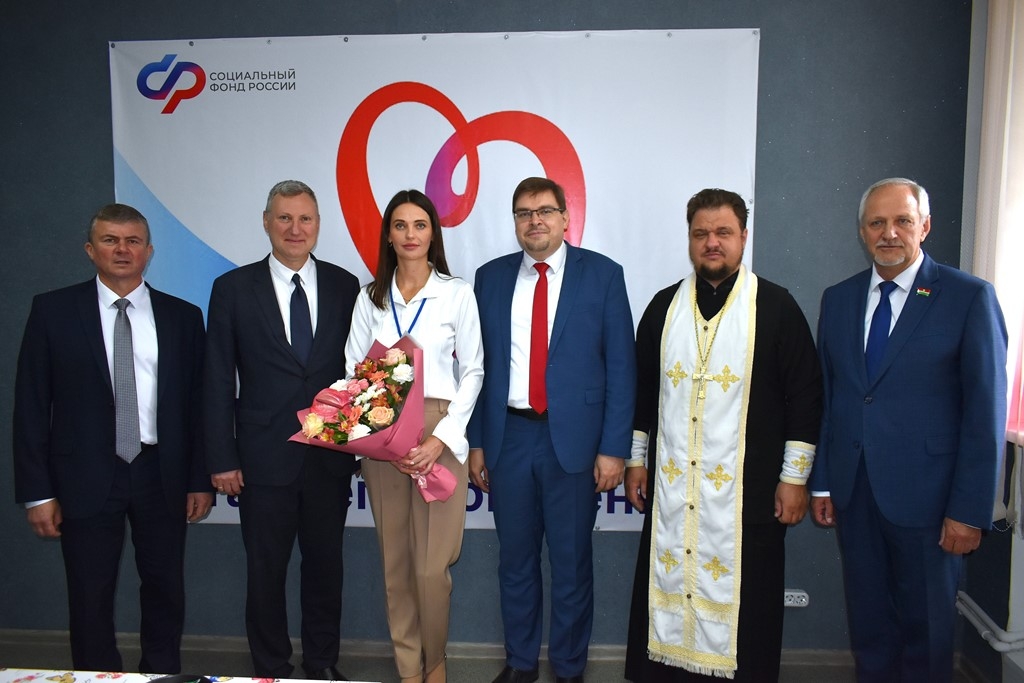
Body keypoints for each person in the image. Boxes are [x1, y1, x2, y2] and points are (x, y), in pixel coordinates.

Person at [810, 177, 1007, 682]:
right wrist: (824, 481)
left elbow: (984, 415)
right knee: (870, 627)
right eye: (877, 223)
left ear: (925, 226)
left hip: (932, 503)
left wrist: (969, 510)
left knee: (927, 631)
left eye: (902, 220)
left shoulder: (968, 297)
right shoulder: (839, 299)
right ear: (862, 231)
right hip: (856, 494)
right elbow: (834, 398)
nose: (889, 233)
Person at [622, 188, 822, 682]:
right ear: (690, 239)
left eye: (723, 232)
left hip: (749, 497)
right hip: (673, 493)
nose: (712, 242)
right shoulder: (663, 308)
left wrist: (794, 479)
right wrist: (636, 460)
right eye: (701, 233)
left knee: (748, 619)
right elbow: (642, 392)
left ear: (744, 237)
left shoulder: (775, 307)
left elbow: (806, 397)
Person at [12, 203, 211, 673]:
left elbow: (198, 406)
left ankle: (160, 671)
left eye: (133, 241)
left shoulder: (183, 317)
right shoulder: (53, 311)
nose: (122, 250)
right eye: (110, 240)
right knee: (89, 594)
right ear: (90, 249)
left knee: (165, 589)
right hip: (83, 475)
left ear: (149, 251)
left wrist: (199, 479)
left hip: (160, 472)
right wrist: (37, 493)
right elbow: (31, 406)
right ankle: (95, 675)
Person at [468, 176, 636, 683]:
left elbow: (621, 368)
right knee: (515, 562)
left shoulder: (603, 275)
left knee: (571, 563)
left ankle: (567, 667)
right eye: (524, 213)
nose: (534, 220)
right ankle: (520, 663)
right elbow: (475, 367)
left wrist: (614, 448)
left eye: (544, 210)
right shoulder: (489, 278)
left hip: (576, 444)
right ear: (515, 222)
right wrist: (477, 442)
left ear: (565, 217)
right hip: (510, 438)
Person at [204, 180, 360, 679]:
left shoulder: (345, 286)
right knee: (265, 572)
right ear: (266, 222)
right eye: (285, 218)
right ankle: (270, 667)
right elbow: (216, 378)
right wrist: (221, 457)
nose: (296, 228)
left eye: (305, 218)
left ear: (318, 225)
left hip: (328, 457)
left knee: (325, 570)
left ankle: (321, 665)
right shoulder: (232, 288)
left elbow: (358, 373)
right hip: (262, 458)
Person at [344, 189, 484, 683]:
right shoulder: (370, 297)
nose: (410, 235)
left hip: (439, 432)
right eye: (400, 225)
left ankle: (435, 663)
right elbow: (353, 370)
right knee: (396, 565)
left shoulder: (456, 293)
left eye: (419, 225)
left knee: (431, 568)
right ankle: (408, 669)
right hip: (381, 432)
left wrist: (439, 439)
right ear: (388, 234)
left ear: (433, 234)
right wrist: (379, 433)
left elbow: (473, 371)